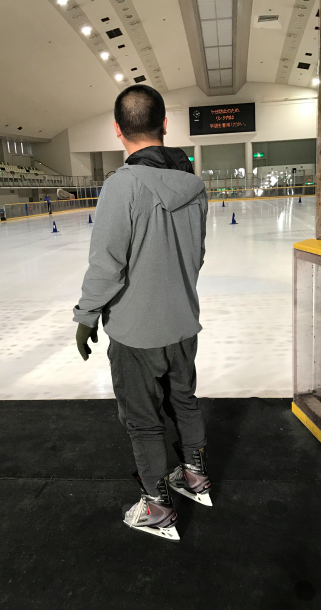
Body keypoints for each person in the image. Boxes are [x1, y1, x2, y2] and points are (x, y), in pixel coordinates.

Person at [73, 85, 211, 543]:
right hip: (183, 323)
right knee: (184, 400)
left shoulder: (122, 185)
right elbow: (197, 255)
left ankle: (157, 506)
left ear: (118, 130)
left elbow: (107, 263)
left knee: (143, 419)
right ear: (164, 125)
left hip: (136, 332)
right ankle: (194, 476)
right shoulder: (194, 186)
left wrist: (87, 315)